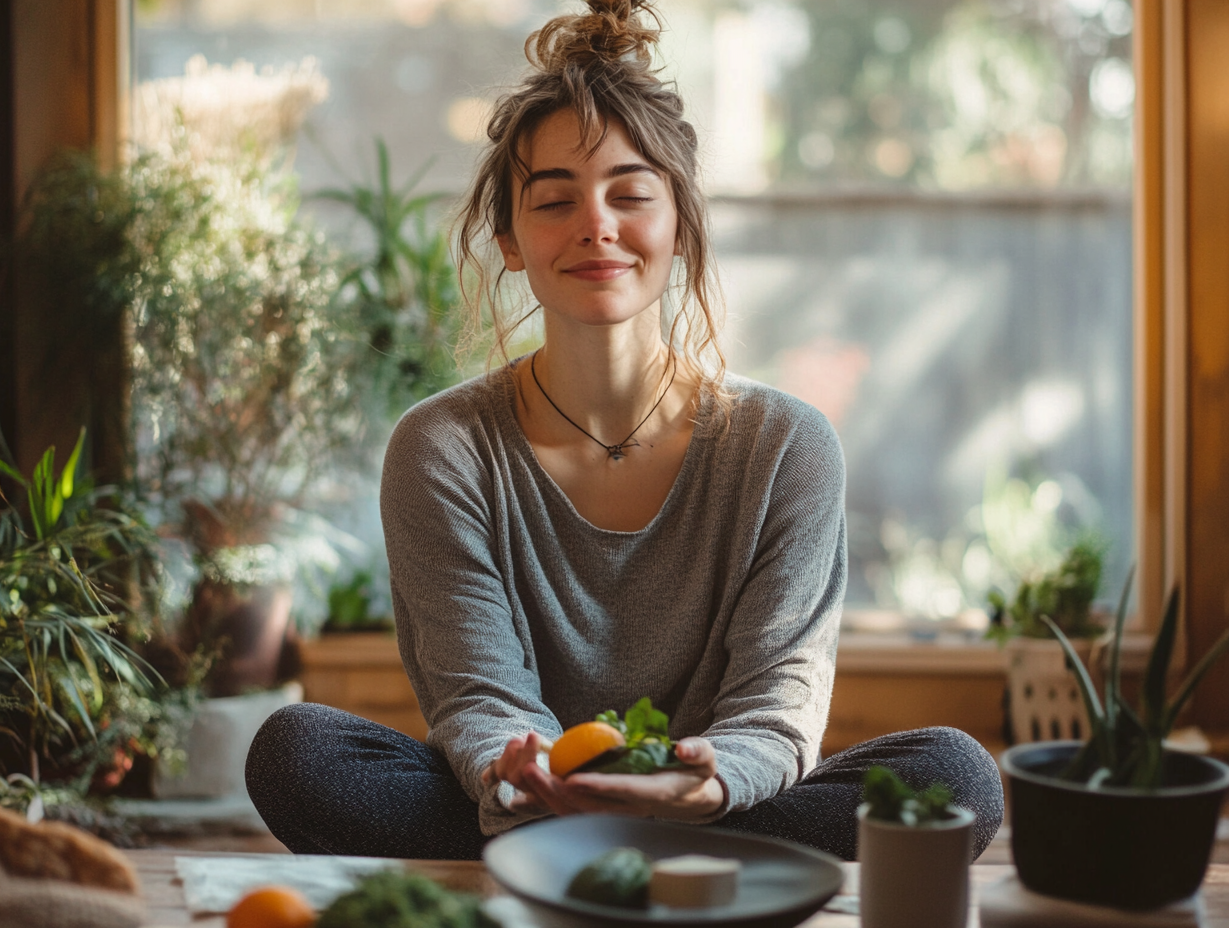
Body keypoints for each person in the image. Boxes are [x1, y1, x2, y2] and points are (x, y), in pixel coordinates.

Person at [246, 0, 1003, 861]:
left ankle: (573, 855)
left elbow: (774, 714)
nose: (595, 225)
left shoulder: (785, 446)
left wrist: (705, 785)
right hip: (531, 793)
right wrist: (525, 772)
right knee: (298, 754)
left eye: (630, 194)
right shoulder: (443, 449)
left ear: (678, 223)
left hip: (708, 799)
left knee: (956, 776)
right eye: (555, 199)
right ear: (511, 239)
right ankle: (643, 856)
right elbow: (480, 698)